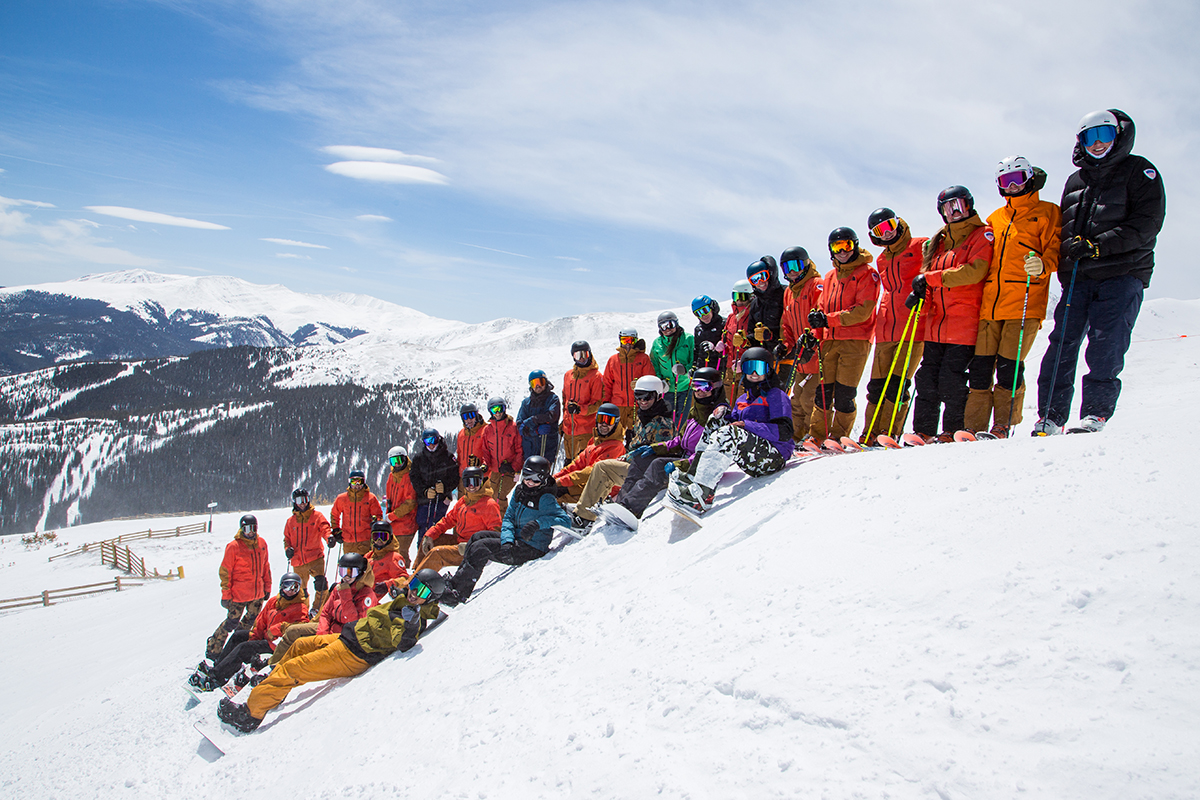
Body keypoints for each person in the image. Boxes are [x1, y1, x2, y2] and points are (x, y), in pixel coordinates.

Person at [1033, 109, 1166, 435]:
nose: (1096, 144)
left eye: (1103, 136)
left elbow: (1147, 224)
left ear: (1118, 135)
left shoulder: (1140, 171)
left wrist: (1098, 245)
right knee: (1061, 344)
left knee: (1106, 343)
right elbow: (1066, 231)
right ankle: (1050, 416)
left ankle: (1095, 412)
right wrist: (1068, 263)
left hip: (1122, 272)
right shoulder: (1075, 181)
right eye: (1088, 138)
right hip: (1080, 276)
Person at [218, 570, 446, 733]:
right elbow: (400, 583)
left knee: (293, 668)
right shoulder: (406, 601)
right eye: (414, 585)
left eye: (422, 592)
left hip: (354, 654)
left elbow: (404, 643)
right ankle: (275, 690)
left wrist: (411, 625)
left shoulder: (412, 618)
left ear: (430, 598)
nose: (414, 593)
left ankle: (250, 714)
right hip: (347, 637)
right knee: (299, 645)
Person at [966, 157, 1062, 437]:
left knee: (1009, 366)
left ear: (1030, 177)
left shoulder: (1048, 212)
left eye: (1017, 179)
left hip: (1024, 301)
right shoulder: (996, 218)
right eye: (1005, 182)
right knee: (981, 367)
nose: (1012, 186)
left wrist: (1045, 264)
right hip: (990, 305)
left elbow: (1055, 248)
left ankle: (1003, 423)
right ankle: (974, 424)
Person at [908, 186, 995, 441]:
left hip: (963, 325)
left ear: (969, 205)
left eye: (959, 205)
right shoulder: (940, 243)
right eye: (948, 208)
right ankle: (923, 431)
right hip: (936, 325)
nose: (954, 212)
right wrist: (920, 295)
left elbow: (974, 271)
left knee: (951, 379)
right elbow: (932, 284)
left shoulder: (982, 235)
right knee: (926, 379)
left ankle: (952, 430)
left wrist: (930, 278)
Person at [667, 347, 794, 514]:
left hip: (773, 457)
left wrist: (747, 425)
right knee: (715, 422)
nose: (754, 373)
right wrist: (722, 413)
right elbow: (731, 423)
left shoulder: (776, 395)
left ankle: (701, 497)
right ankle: (694, 475)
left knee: (730, 433)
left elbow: (784, 431)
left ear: (769, 370)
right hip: (753, 455)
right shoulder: (744, 398)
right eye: (749, 368)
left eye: (760, 368)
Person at [438, 456, 571, 606]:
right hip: (516, 541)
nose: (530, 482)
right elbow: (508, 518)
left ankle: (459, 593)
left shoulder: (545, 498)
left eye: (536, 479)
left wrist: (538, 524)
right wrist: (507, 540)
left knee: (481, 548)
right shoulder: (520, 491)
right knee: (476, 537)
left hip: (532, 548)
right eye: (527, 476)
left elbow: (565, 521)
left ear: (544, 479)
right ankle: (457, 582)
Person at [607, 367, 730, 525]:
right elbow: (680, 440)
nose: (699, 391)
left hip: (699, 465)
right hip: (685, 456)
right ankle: (621, 505)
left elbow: (707, 454)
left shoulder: (719, 416)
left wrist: (679, 464)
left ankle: (631, 509)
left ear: (716, 388)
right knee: (640, 459)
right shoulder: (696, 410)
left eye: (704, 386)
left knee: (657, 465)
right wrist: (655, 448)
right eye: (696, 386)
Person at [860, 209, 928, 443]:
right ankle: (869, 433)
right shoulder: (881, 259)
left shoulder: (920, 245)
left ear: (898, 223)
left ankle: (889, 432)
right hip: (886, 328)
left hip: (912, 325)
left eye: (889, 226)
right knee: (877, 386)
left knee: (898, 385)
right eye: (880, 231)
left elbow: (933, 274)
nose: (886, 234)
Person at [806, 227, 880, 441]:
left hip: (855, 341)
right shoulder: (830, 277)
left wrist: (829, 319)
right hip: (830, 341)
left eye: (846, 245)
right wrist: (815, 328)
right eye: (836, 246)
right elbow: (821, 307)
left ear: (855, 245)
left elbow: (863, 310)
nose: (842, 251)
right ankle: (817, 436)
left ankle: (839, 436)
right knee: (823, 393)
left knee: (844, 393)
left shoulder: (867, 273)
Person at [570, 375, 675, 523]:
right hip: (636, 466)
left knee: (603, 468)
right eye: (639, 397)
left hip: (648, 473)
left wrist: (630, 456)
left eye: (647, 397)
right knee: (602, 467)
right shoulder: (643, 415)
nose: (642, 401)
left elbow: (658, 452)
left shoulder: (663, 423)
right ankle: (586, 511)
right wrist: (628, 455)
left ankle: (585, 516)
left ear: (657, 396)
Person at [190, 572, 308, 692]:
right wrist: (254, 637)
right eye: (287, 586)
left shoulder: (300, 607)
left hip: (277, 646)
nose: (291, 590)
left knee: (244, 648)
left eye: (295, 587)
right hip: (266, 639)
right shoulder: (274, 601)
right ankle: (220, 666)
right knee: (238, 636)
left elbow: (301, 628)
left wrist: (278, 629)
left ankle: (216, 678)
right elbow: (260, 621)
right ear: (281, 586)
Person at [267, 551, 377, 666]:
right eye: (342, 571)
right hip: (329, 632)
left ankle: (288, 667)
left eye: (351, 572)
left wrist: (345, 595)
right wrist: (322, 636)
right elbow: (325, 613)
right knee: (292, 632)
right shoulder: (339, 588)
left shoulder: (366, 594)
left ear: (360, 573)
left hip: (346, 638)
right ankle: (273, 665)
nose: (346, 576)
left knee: (301, 644)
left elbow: (354, 623)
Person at [413, 465, 503, 574]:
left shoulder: (489, 504)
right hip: (460, 543)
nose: (471, 486)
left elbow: (495, 534)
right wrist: (430, 534)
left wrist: (471, 546)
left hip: (475, 551)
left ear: (481, 482)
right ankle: (415, 573)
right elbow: (447, 521)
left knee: (437, 554)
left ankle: (413, 587)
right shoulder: (463, 502)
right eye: (467, 483)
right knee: (428, 539)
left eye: (474, 482)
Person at [205, 514, 271, 661]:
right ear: (241, 529)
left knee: (250, 622)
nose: (250, 532)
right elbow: (225, 572)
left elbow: (265, 567)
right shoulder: (234, 547)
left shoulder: (261, 544)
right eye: (247, 529)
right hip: (239, 595)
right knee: (231, 622)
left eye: (253, 528)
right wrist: (226, 594)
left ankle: (237, 648)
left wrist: (267, 586)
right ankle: (214, 648)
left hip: (257, 594)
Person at [777, 246, 823, 442]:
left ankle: (814, 435)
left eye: (796, 265)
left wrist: (813, 340)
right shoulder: (789, 292)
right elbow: (786, 323)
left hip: (815, 351)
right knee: (796, 399)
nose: (792, 271)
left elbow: (821, 315)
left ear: (805, 263)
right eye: (787, 267)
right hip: (799, 354)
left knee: (810, 398)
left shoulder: (816, 285)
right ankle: (796, 437)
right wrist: (785, 345)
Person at [550, 403, 625, 504]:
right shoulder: (595, 440)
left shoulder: (615, 447)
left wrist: (561, 482)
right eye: (601, 419)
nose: (604, 424)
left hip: (603, 491)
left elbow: (592, 472)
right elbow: (577, 464)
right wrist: (554, 479)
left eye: (609, 420)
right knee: (553, 492)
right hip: (588, 484)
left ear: (615, 423)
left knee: (559, 501)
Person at [282, 488, 332, 616]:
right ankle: (302, 611)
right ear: (294, 502)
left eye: (305, 499)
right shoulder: (291, 521)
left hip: (315, 557)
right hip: (298, 561)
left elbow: (324, 528)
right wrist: (288, 550)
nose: (303, 503)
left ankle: (318, 609)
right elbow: (286, 539)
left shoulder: (316, 516)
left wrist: (329, 538)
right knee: (300, 590)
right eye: (299, 500)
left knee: (321, 584)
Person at [601, 328, 655, 433]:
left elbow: (650, 379)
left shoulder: (643, 358)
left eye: (631, 341)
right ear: (620, 340)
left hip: (637, 404)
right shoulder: (613, 360)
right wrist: (606, 403)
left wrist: (640, 384)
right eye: (625, 340)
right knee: (615, 434)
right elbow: (607, 384)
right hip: (617, 404)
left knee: (635, 434)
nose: (628, 344)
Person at [649, 311, 695, 431]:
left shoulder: (688, 339)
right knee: (667, 419)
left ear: (676, 324)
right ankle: (668, 443)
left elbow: (694, 359)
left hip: (685, 387)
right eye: (663, 326)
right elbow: (654, 364)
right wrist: (660, 381)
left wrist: (686, 369)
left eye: (670, 324)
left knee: (683, 418)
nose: (667, 329)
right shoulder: (657, 344)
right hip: (667, 388)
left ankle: (681, 443)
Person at [410, 428, 459, 539]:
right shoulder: (419, 458)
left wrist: (445, 487)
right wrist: (424, 491)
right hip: (424, 500)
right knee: (423, 526)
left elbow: (455, 477)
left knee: (438, 526)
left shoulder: (448, 457)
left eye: (434, 440)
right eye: (428, 442)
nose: (431, 445)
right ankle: (422, 553)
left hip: (441, 500)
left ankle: (436, 552)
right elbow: (414, 478)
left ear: (439, 439)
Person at [560, 341, 605, 463]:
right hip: (569, 430)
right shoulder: (568, 375)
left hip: (586, 430)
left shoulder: (595, 376)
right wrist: (564, 420)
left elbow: (599, 403)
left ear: (590, 354)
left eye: (584, 354)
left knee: (582, 464)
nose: (582, 359)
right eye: (577, 355)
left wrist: (581, 409)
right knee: (568, 463)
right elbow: (565, 399)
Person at [480, 397, 522, 513]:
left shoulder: (513, 427)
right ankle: (495, 522)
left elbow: (519, 450)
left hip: (510, 470)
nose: (497, 413)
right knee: (494, 496)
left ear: (505, 409)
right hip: (495, 470)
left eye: (500, 409)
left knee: (500, 496)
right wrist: (485, 464)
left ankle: (502, 524)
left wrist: (513, 467)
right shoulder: (488, 430)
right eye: (494, 410)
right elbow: (486, 451)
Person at [328, 470, 383, 555]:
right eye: (354, 481)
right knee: (349, 566)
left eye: (359, 481)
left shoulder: (370, 498)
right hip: (348, 541)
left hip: (365, 540)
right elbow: (335, 514)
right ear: (350, 482)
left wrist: (376, 521)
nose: (357, 485)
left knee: (366, 565)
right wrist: (336, 530)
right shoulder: (342, 498)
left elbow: (378, 515)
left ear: (363, 482)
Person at [516, 370, 561, 464]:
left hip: (547, 449)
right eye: (534, 383)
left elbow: (551, 416)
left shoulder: (553, 399)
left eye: (540, 382)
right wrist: (535, 431)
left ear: (546, 382)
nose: (537, 386)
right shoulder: (526, 403)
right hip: (530, 450)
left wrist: (531, 421)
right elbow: (520, 427)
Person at [384, 446, 419, 567]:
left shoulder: (409, 476)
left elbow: (410, 503)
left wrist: (392, 516)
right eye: (394, 462)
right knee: (391, 552)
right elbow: (389, 498)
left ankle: (404, 576)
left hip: (406, 522)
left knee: (401, 552)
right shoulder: (392, 476)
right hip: (393, 522)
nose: (397, 464)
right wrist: (388, 513)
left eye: (399, 460)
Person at [722, 280, 754, 404]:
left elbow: (754, 341)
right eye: (736, 296)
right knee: (728, 400)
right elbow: (725, 337)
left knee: (742, 402)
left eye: (743, 297)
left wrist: (744, 361)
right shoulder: (731, 317)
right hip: (730, 368)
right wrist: (722, 345)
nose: (739, 301)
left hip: (745, 369)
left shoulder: (752, 315)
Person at [745, 256, 786, 347]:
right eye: (754, 280)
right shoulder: (756, 304)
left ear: (770, 275)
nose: (760, 282)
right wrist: (746, 341)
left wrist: (771, 337)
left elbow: (791, 326)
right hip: (765, 357)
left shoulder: (785, 294)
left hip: (786, 355)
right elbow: (752, 332)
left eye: (762, 276)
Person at [365, 520, 409, 597]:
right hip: (365, 596)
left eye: (383, 537)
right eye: (376, 537)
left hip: (380, 598)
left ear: (390, 538)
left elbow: (404, 579)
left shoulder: (394, 557)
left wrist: (387, 585)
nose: (379, 540)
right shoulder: (369, 556)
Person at [691, 296, 725, 372]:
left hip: (721, 370)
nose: (703, 316)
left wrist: (715, 349)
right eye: (698, 313)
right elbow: (696, 351)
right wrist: (694, 368)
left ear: (712, 307)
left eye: (705, 310)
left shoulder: (723, 324)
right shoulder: (698, 329)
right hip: (704, 370)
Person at [456, 404, 488, 474]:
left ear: (476, 416)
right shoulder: (461, 434)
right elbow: (459, 454)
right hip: (464, 475)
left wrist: (482, 463)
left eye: (471, 415)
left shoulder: (486, 431)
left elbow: (492, 453)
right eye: (465, 417)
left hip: (482, 475)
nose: (469, 419)